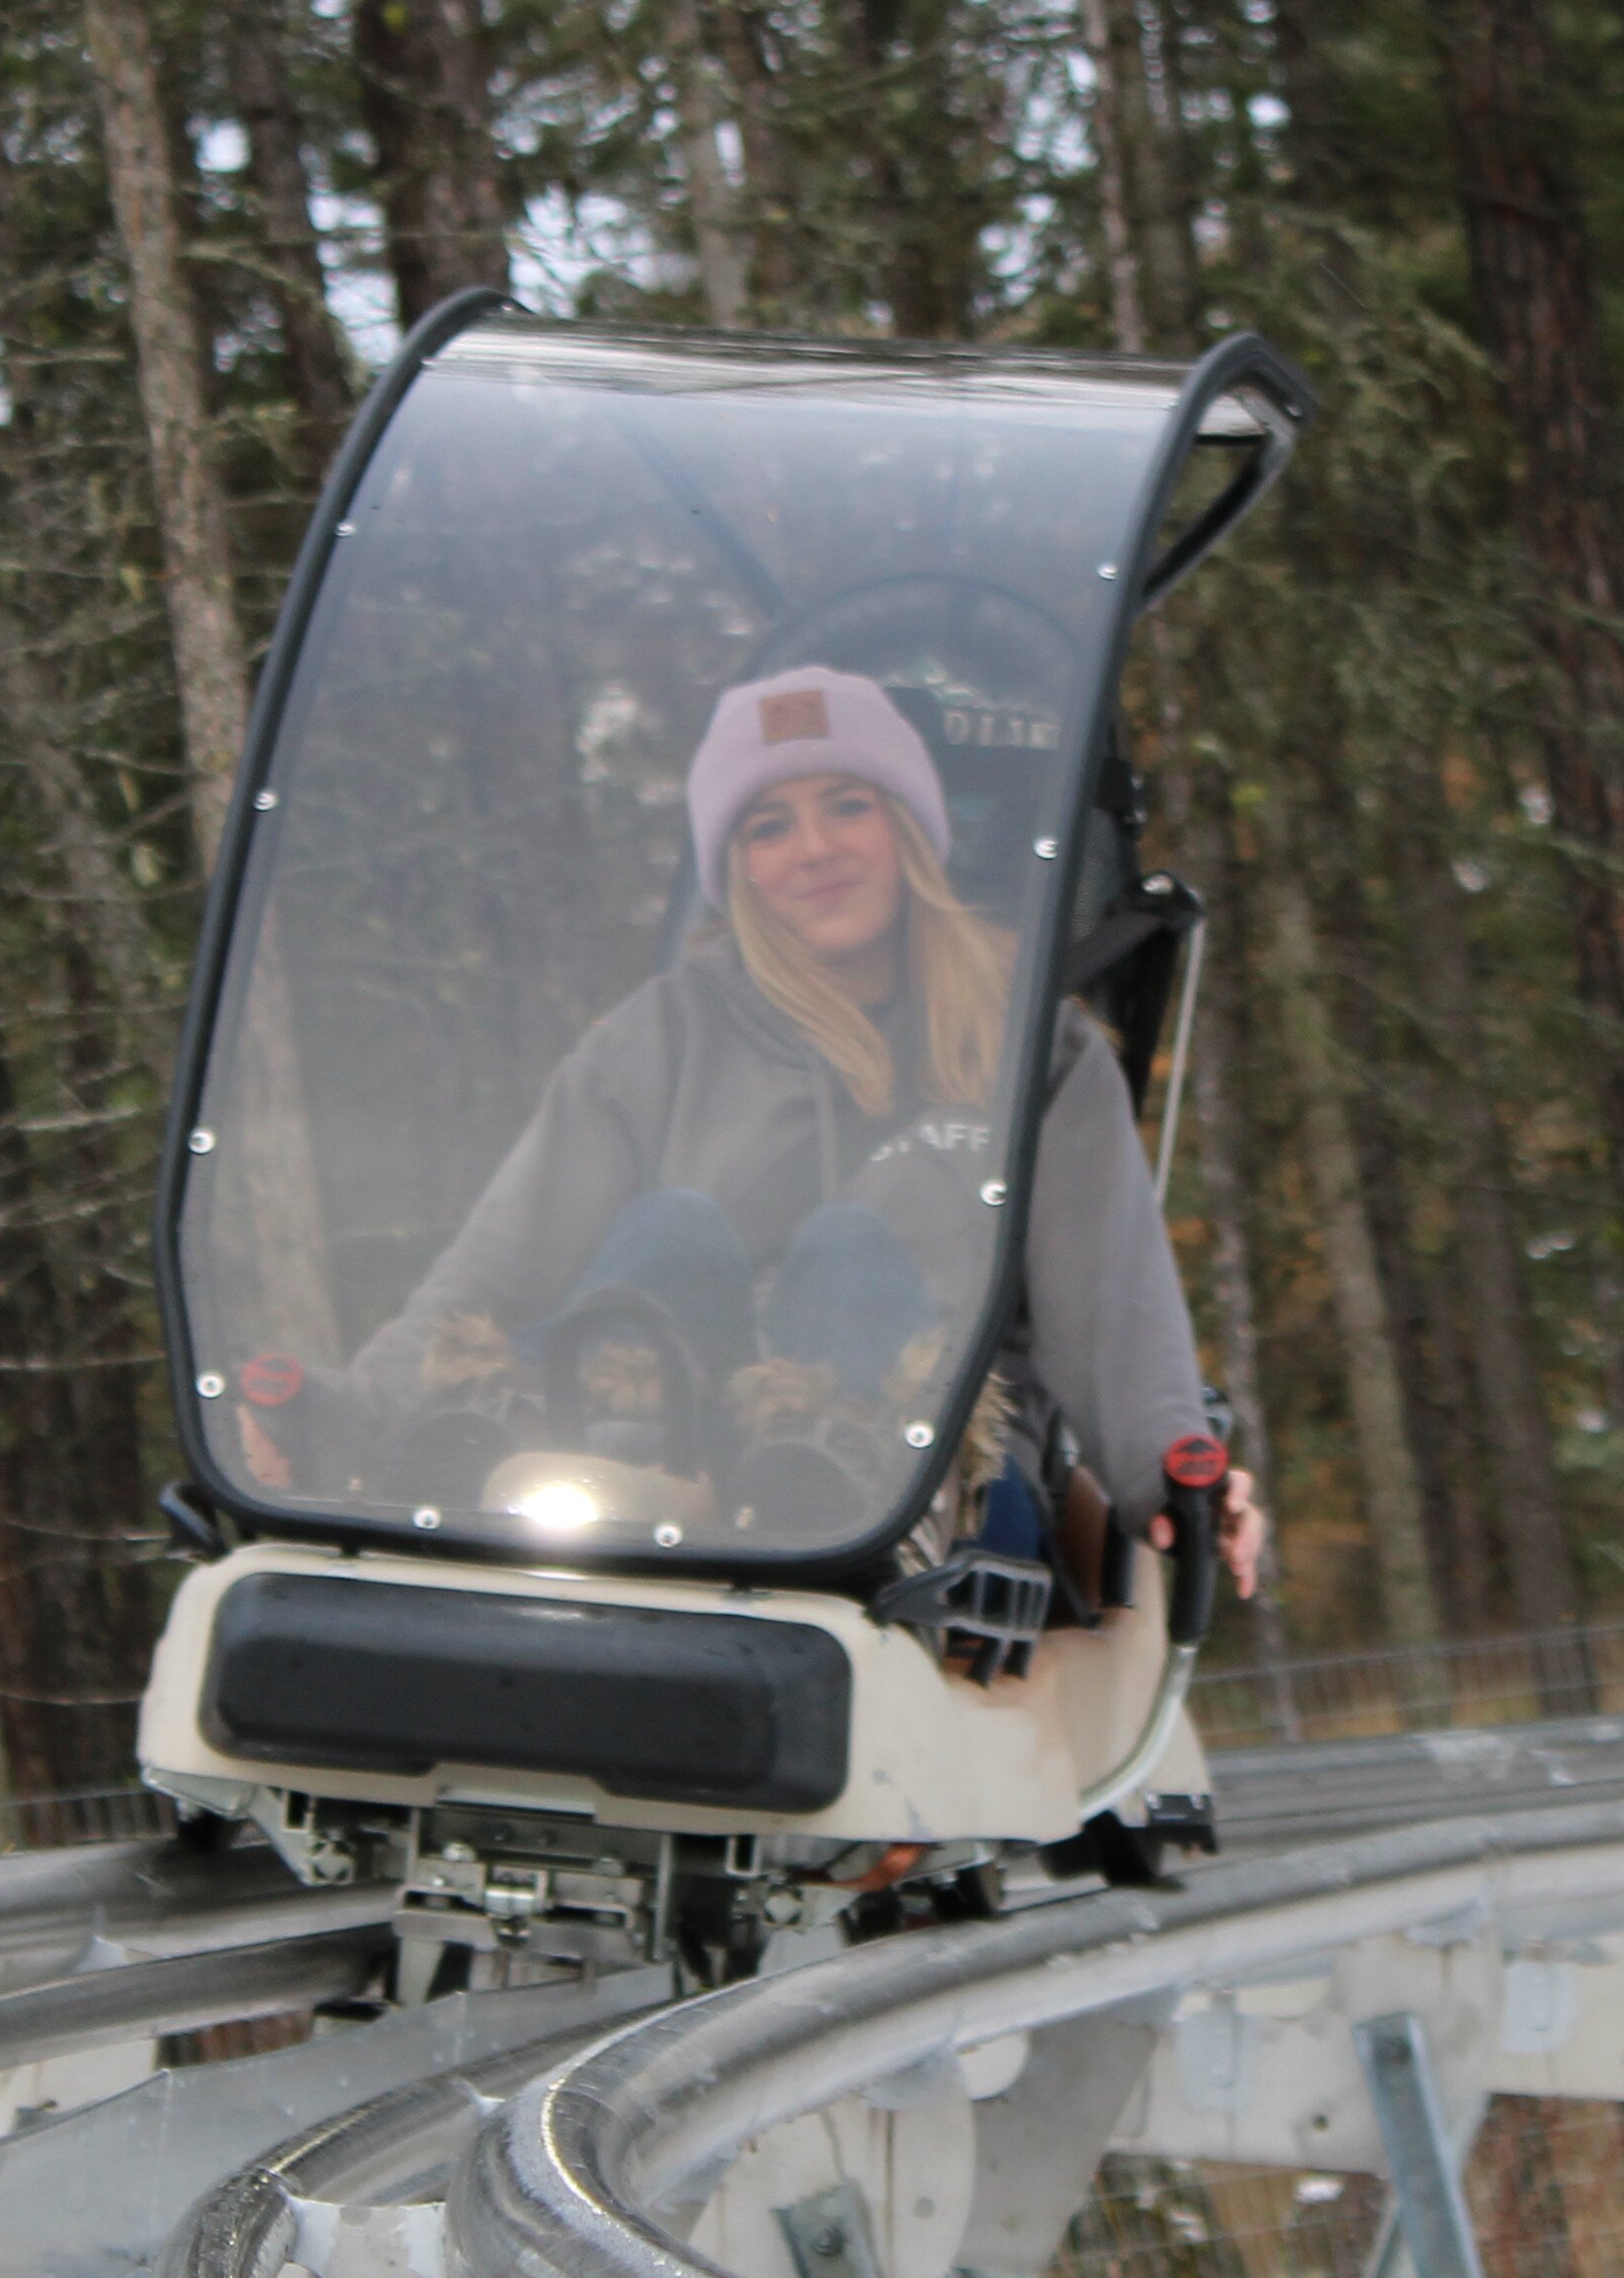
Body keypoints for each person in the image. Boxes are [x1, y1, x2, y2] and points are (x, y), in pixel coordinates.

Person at [345, 666, 1273, 1601]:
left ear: (906, 828)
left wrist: (1175, 1476)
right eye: (770, 825)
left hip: (943, 1488)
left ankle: (825, 1479)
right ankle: (599, 1467)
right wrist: (345, 1413)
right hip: (681, 1469)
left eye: (847, 806)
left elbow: (1111, 1305)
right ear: (738, 866)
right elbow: (495, 1265)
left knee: (850, 1249)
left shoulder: (1035, 1046)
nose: (815, 848)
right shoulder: (663, 1034)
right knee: (671, 1230)